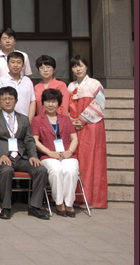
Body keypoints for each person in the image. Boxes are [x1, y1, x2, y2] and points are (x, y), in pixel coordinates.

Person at [0, 86, 50, 220]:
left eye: (10, 99)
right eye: (4, 99)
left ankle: (35, 206)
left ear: (16, 101)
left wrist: (33, 156)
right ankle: (6, 207)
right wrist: (1, 155)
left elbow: (29, 140)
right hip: (2, 157)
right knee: (7, 170)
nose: (7, 101)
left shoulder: (24, 119)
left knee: (41, 170)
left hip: (21, 157)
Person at [32, 89, 79, 217]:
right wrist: (49, 152)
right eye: (47, 101)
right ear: (43, 103)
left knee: (71, 171)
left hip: (67, 154)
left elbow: (74, 138)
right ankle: (59, 203)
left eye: (53, 101)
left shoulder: (65, 119)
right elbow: (35, 140)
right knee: (56, 170)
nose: (50, 104)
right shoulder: (37, 120)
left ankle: (69, 204)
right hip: (48, 155)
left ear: (59, 104)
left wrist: (70, 151)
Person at [67, 55, 107, 209]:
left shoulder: (94, 84)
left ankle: (93, 199)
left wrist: (83, 119)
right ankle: (78, 198)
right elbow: (66, 107)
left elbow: (100, 103)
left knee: (93, 158)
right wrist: (72, 121)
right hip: (75, 126)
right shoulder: (70, 86)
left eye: (81, 65)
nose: (78, 69)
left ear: (87, 67)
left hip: (92, 125)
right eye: (75, 66)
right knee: (79, 159)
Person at [0, 51, 36, 122]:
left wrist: (29, 120)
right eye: (12, 62)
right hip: (7, 121)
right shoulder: (1, 81)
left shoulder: (28, 81)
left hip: (25, 121)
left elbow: (32, 102)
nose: (15, 65)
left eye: (19, 62)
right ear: (7, 64)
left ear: (23, 65)